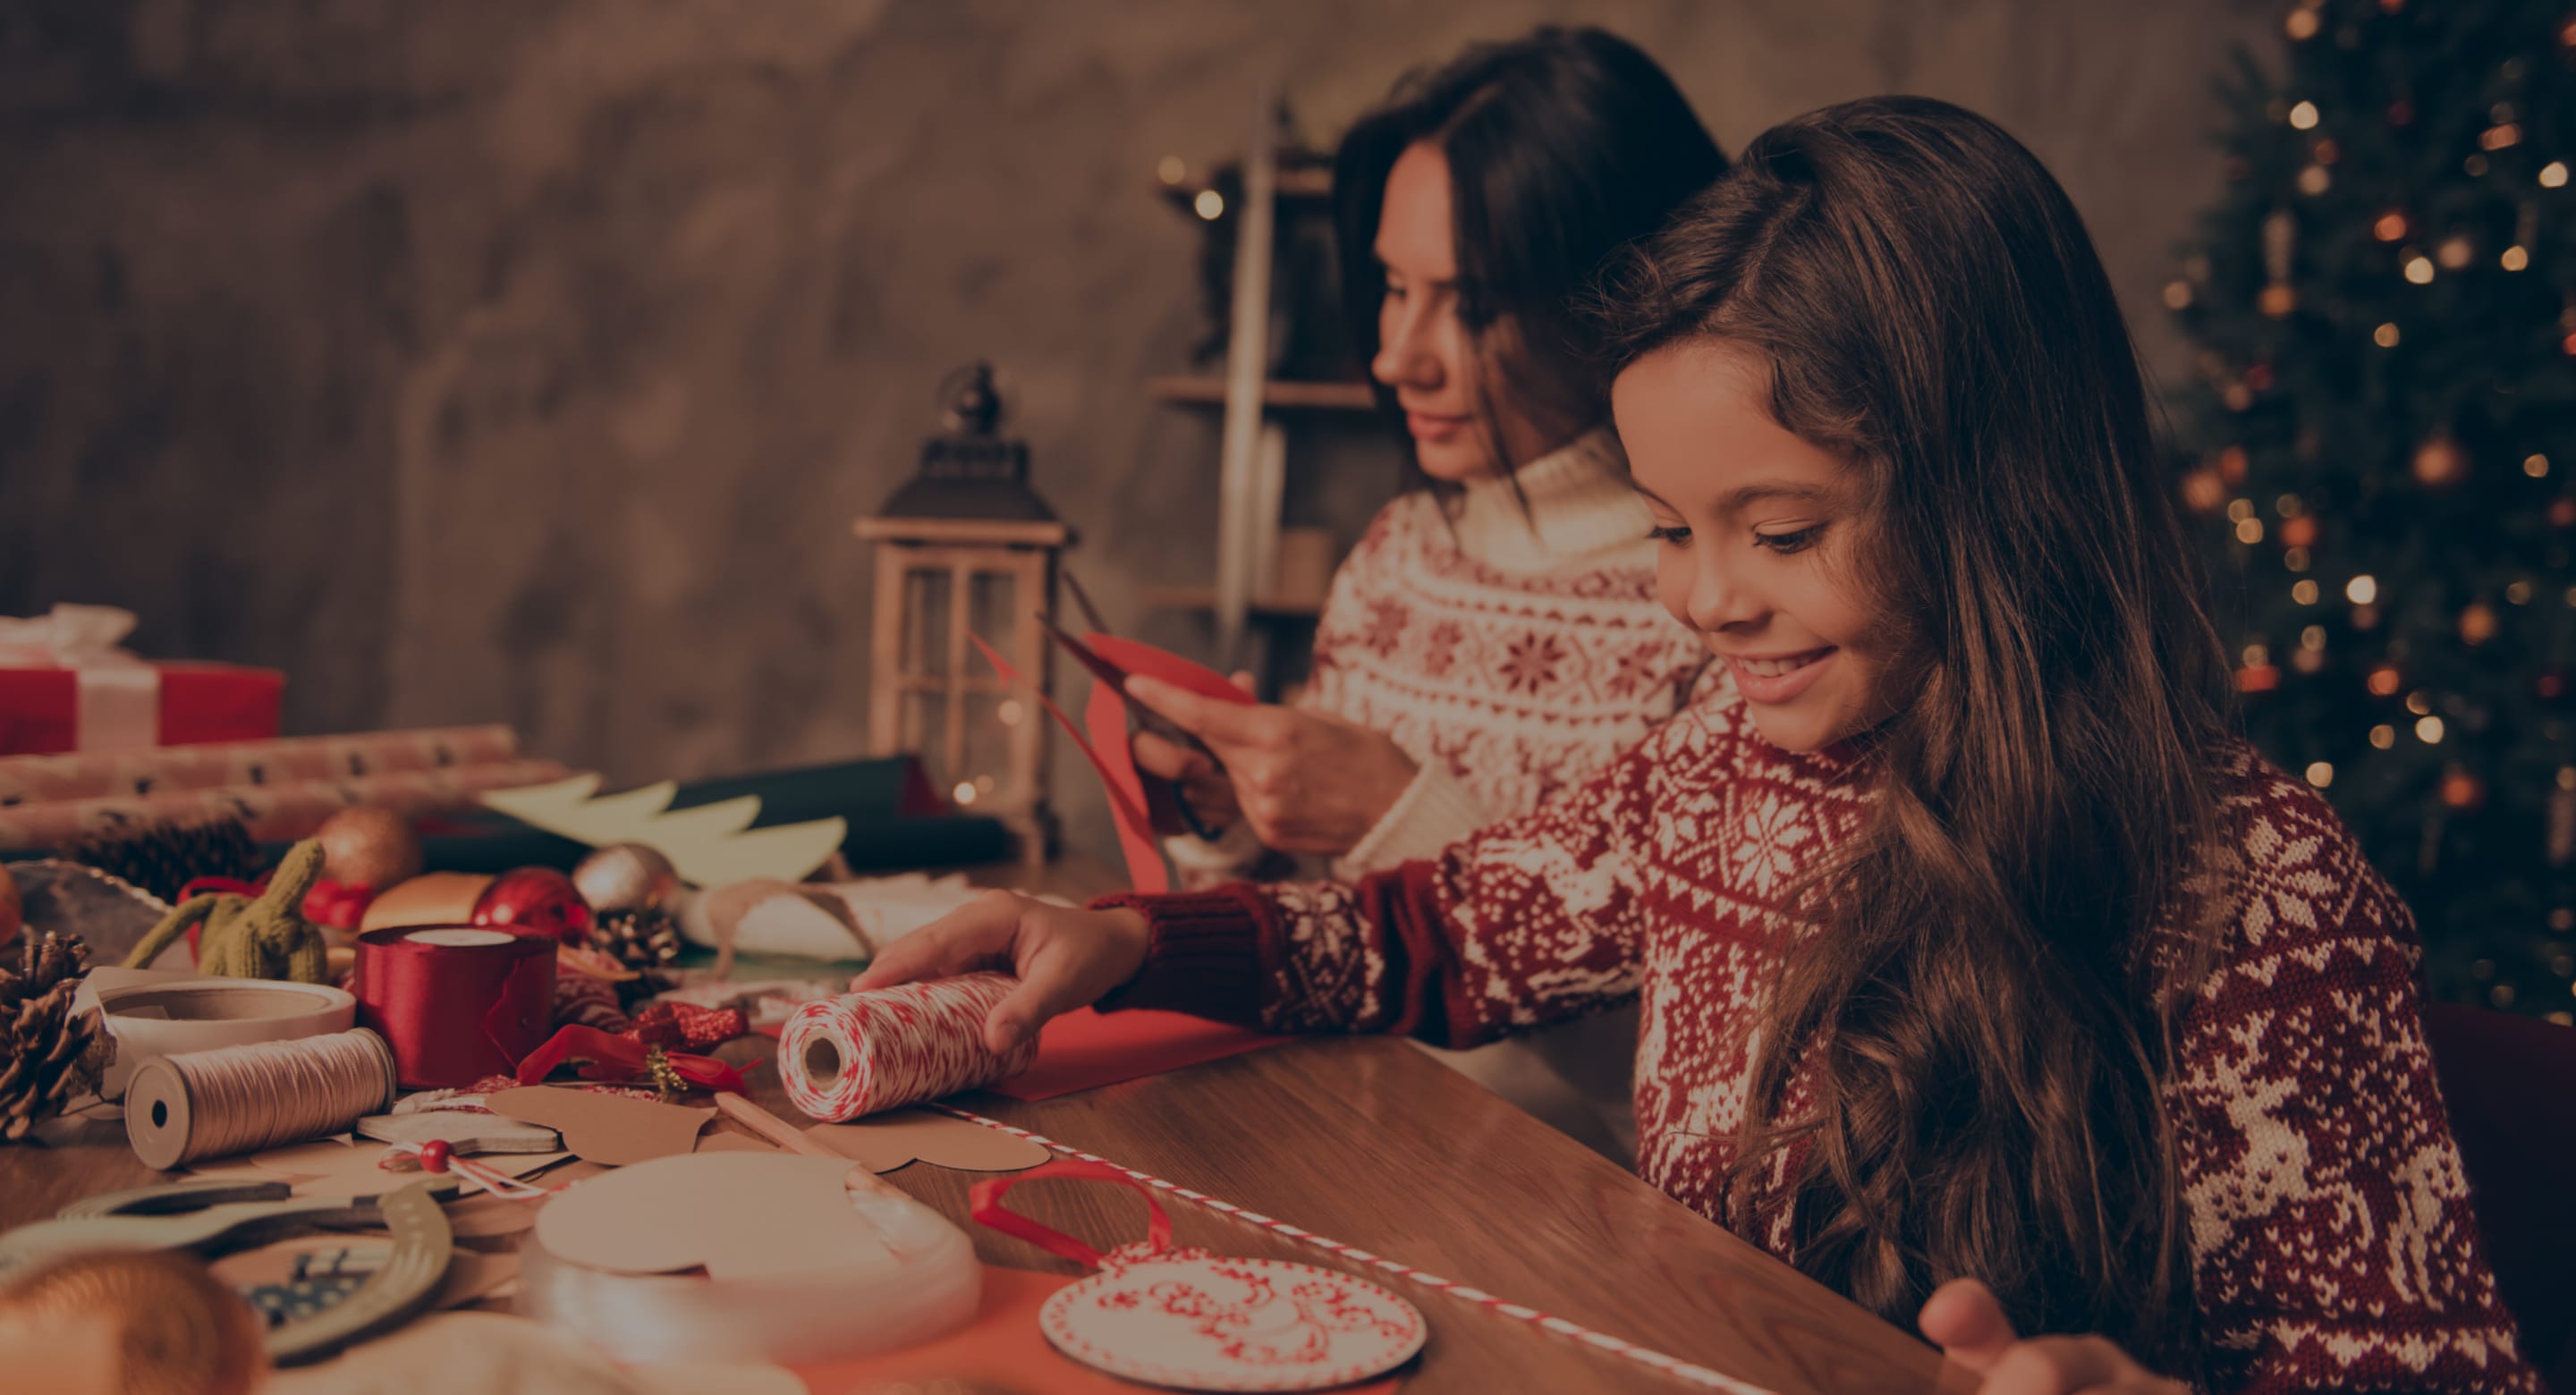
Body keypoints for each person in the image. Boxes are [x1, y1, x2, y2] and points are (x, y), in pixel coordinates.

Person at [869, 97, 2544, 1391]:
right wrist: (1129, 940)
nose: (1708, 602)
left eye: (1786, 530)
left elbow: (2425, 1367)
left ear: (1996, 500)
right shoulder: (1712, 771)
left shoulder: (2252, 899)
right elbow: (1434, 934)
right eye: (1672, 529)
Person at [1127, 27, 1725, 1161]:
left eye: (1473, 303)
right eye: (1394, 287)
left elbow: (1697, 1075)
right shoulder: (1396, 556)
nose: (1399, 354)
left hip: (1568, 1218)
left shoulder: (1722, 598)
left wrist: (1404, 816)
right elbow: (1321, 925)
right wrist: (1232, 823)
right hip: (1336, 1143)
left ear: (1625, 287)